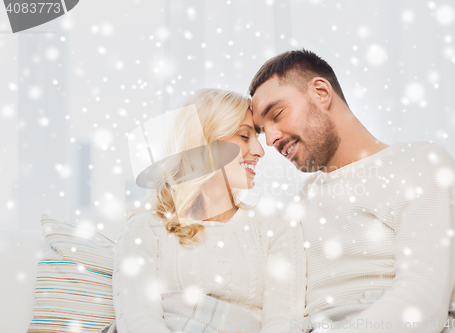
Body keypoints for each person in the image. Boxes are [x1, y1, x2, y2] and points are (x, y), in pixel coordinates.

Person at [249, 49, 455, 332]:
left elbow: (422, 303)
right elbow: (281, 313)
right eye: (261, 129)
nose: (270, 139)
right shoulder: (300, 203)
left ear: (321, 92)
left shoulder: (420, 165)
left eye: (277, 114)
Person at [105, 89, 306, 333]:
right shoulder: (144, 230)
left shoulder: (276, 226)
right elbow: (138, 322)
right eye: (244, 136)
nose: (259, 151)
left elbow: (284, 323)